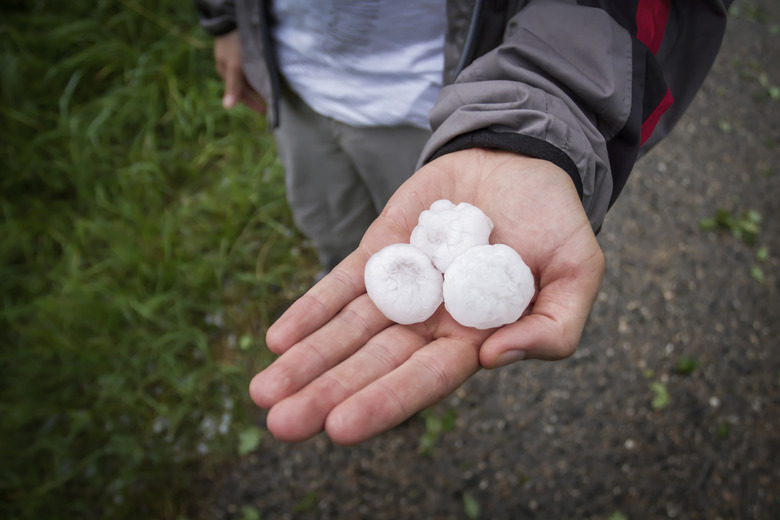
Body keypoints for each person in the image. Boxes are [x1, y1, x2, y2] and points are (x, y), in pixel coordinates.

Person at [196, 0, 732, 444]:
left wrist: (547, 117)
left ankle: (395, 399)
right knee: (334, 234)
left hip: (445, 97)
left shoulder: (464, 242)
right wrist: (223, 19)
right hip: (293, 80)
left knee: (371, 232)